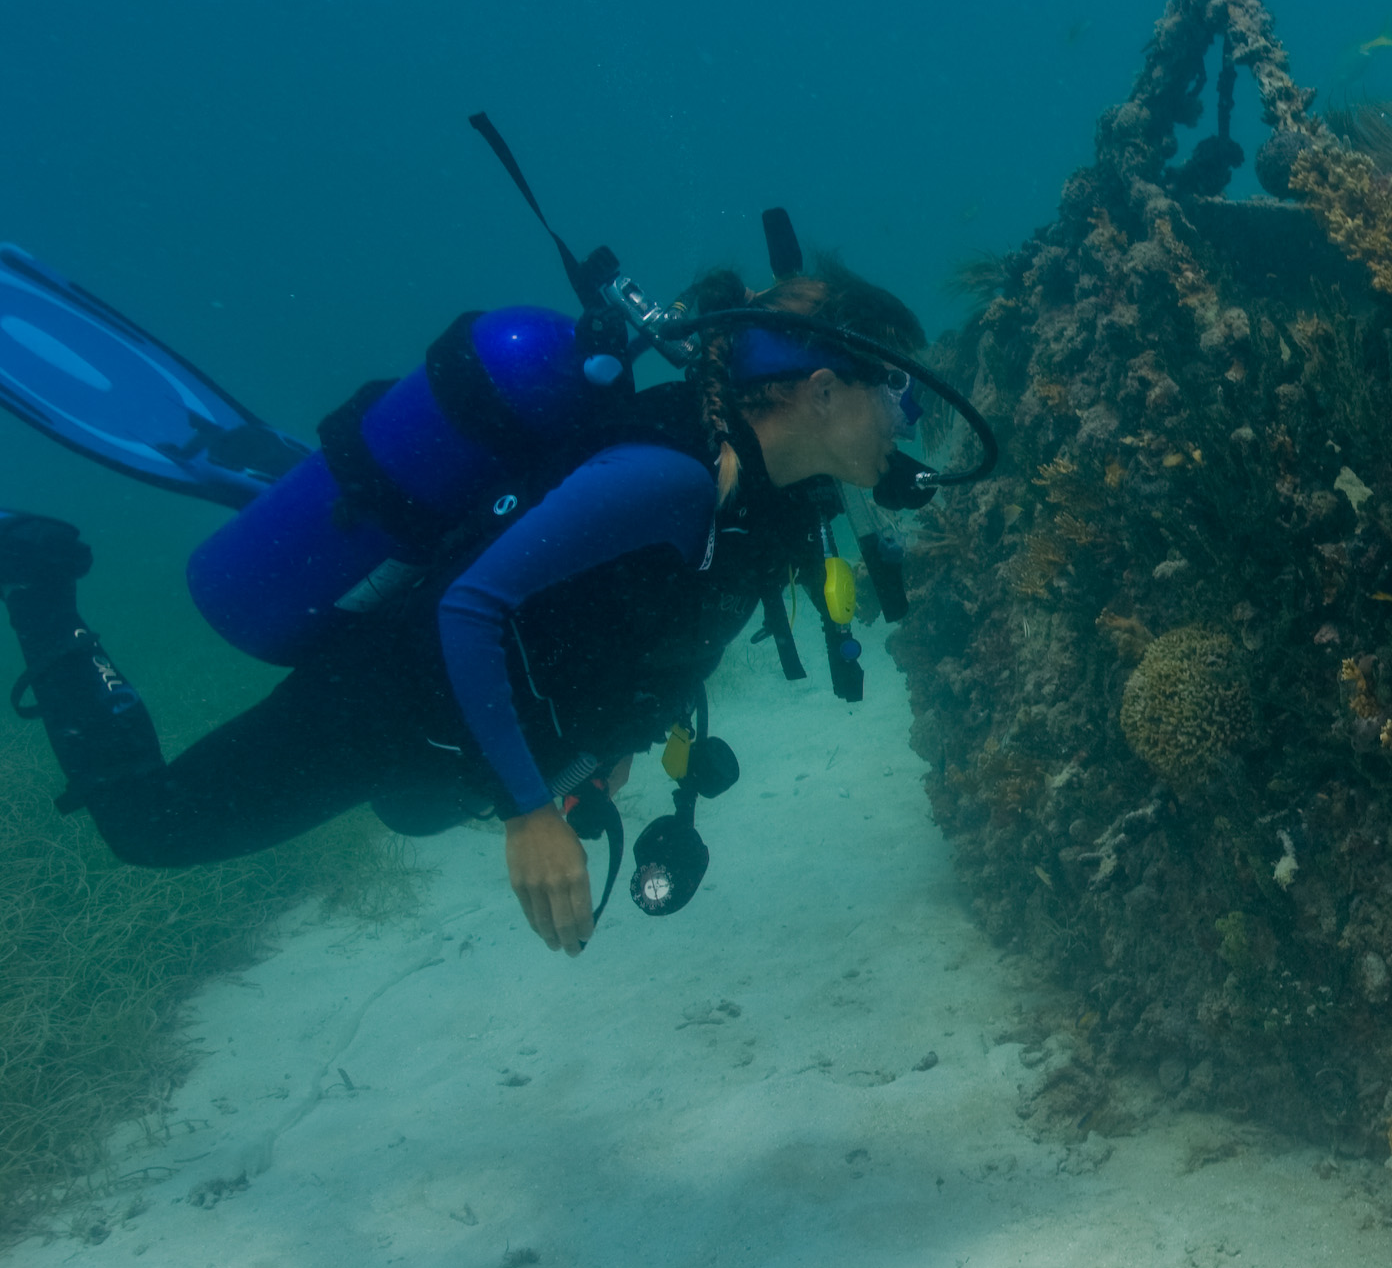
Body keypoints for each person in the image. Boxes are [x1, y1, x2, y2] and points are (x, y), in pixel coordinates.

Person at [1, 261, 927, 956]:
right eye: (901, 392)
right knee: (150, 828)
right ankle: (38, 577)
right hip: (392, 699)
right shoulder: (669, 478)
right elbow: (469, 603)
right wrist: (531, 810)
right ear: (823, 391)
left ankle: (323, 494)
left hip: (467, 742)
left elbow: (644, 620)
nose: (909, 419)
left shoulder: (777, 495)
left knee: (414, 812)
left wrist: (600, 748)